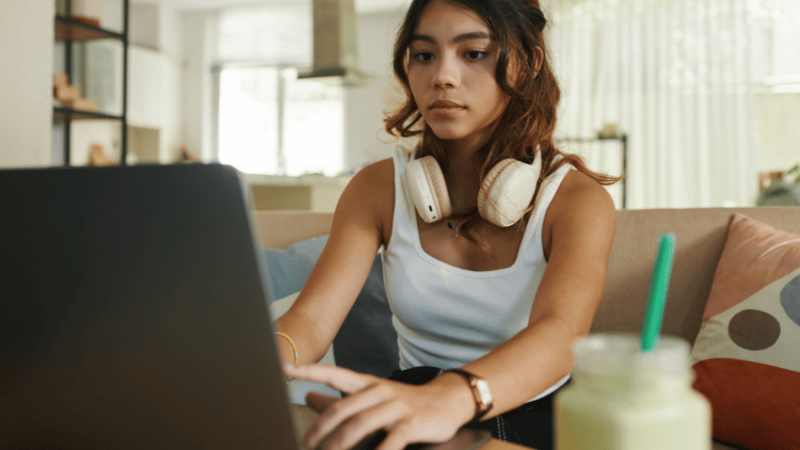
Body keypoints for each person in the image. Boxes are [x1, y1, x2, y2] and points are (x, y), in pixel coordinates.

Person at [274, 0, 619, 449]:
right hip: (412, 405)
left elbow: (560, 335)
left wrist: (450, 399)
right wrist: (264, 362)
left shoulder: (577, 201)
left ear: (529, 63)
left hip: (527, 424)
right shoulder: (376, 188)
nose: (442, 76)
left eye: (473, 53)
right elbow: (312, 320)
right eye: (424, 54)